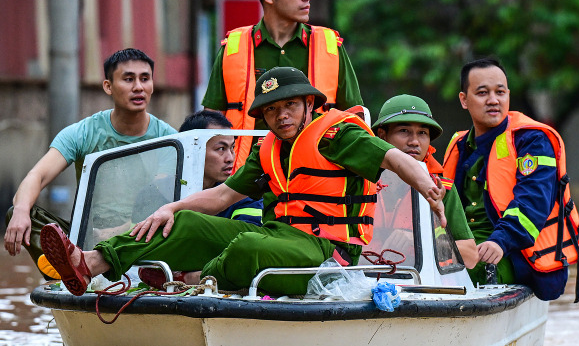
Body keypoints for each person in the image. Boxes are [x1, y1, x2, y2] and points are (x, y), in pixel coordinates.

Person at [40, 67, 445, 297]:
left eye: (289, 106)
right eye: (271, 111)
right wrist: (172, 207)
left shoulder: (338, 134)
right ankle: (91, 262)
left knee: (247, 242)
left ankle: (186, 284)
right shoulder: (267, 149)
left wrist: (425, 183)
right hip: (278, 237)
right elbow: (221, 197)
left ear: (308, 104)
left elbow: (391, 156)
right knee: (179, 223)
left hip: (326, 251)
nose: (281, 116)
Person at [3, 48, 176, 276]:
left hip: (141, 237)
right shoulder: (83, 133)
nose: (138, 87)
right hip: (87, 237)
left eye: (145, 79)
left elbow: (160, 200)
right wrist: (21, 211)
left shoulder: (170, 139)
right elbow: (38, 176)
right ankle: (70, 268)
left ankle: (78, 268)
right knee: (17, 211)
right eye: (128, 79)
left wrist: (120, 231)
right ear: (108, 86)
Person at [441, 58, 579, 306]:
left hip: (513, 252)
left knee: (459, 272)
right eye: (482, 93)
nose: (493, 100)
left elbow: (533, 202)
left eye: (500, 92)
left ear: (508, 95)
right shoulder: (459, 145)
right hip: (463, 246)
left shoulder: (531, 140)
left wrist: (501, 241)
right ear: (464, 100)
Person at [201, 0, 362, 166]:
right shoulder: (233, 48)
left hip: (318, 177)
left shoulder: (331, 47)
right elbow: (209, 124)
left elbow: (355, 119)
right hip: (246, 180)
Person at [372, 94, 478, 270]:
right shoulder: (360, 183)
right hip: (366, 284)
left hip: (427, 288)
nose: (414, 142)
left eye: (422, 133)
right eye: (404, 131)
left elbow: (470, 256)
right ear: (382, 136)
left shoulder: (441, 188)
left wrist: (416, 240)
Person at [177, 109, 262, 224]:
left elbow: (248, 234)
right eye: (221, 149)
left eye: (232, 148)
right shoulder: (163, 191)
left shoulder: (242, 195)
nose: (230, 158)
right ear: (192, 150)